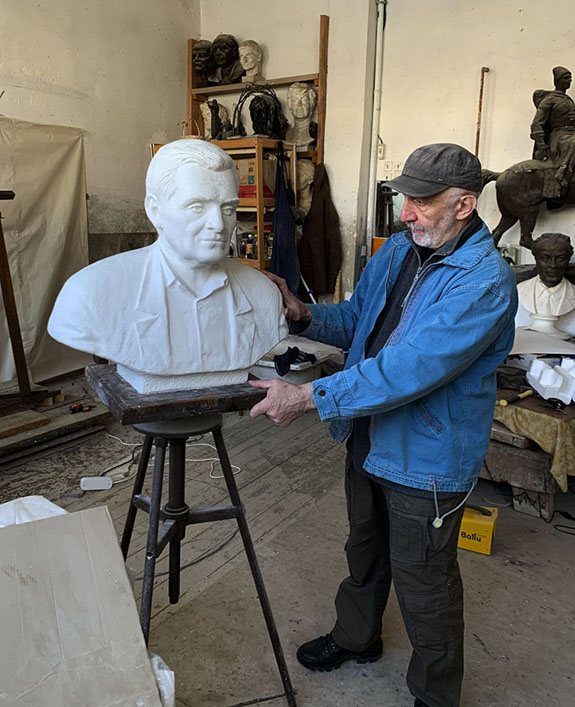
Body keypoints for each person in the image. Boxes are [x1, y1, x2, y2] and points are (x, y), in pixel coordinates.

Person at [249, 143, 517, 707]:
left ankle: (435, 695)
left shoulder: (484, 282)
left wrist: (310, 396)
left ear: (464, 205)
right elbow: (358, 321)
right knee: (365, 550)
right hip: (369, 436)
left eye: (422, 201)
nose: (407, 212)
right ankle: (357, 637)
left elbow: (410, 367)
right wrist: (304, 312)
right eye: (405, 198)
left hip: (427, 455)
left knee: (425, 578)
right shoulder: (397, 251)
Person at [48, 140, 287, 393]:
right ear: (155, 210)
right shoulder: (89, 292)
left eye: (228, 209)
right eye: (197, 207)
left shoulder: (263, 294)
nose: (218, 224)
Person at [516, 232, 575, 336]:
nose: (552, 265)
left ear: (568, 259)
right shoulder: (519, 291)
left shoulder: (573, 293)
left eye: (560, 258)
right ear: (536, 258)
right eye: (545, 258)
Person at [530, 66, 575, 195]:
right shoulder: (549, 100)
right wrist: (541, 146)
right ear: (558, 80)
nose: (569, 81)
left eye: (570, 78)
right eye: (566, 78)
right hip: (559, 137)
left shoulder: (569, 100)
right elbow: (536, 124)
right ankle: (562, 172)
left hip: (571, 134)